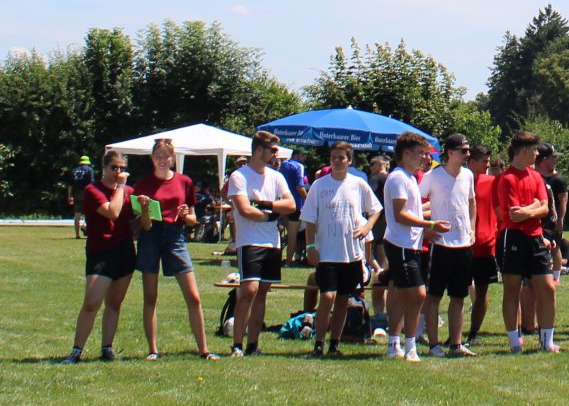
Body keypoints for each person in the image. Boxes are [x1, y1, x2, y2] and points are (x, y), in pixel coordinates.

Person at [128, 138, 210, 361]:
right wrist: (145, 209)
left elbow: (193, 219)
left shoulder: (184, 182)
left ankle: (204, 350)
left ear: (173, 158)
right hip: (151, 236)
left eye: (167, 156)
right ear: (152, 158)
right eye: (158, 156)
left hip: (175, 235)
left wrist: (185, 215)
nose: (163, 160)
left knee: (193, 297)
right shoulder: (143, 185)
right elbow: (144, 226)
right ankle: (153, 350)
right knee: (150, 296)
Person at [224, 131, 299, 357]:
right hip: (249, 240)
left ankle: (253, 344)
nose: (276, 155)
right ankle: (237, 344)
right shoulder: (239, 176)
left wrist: (266, 205)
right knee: (249, 290)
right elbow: (244, 209)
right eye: (272, 150)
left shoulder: (276, 177)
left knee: (262, 292)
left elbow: (291, 205)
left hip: (272, 242)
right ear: (258, 150)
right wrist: (271, 215)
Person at [304, 141, 382, 357]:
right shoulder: (319, 185)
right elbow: (309, 218)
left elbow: (376, 209)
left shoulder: (358, 184)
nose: (337, 161)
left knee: (342, 299)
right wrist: (310, 247)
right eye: (334, 157)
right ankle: (318, 343)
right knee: (327, 297)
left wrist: (367, 227)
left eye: (341, 157)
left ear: (349, 160)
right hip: (327, 253)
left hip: (351, 254)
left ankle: (334, 344)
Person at [66, 149, 136, 361]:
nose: (118, 172)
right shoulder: (93, 190)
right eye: (114, 167)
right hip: (101, 252)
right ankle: (76, 351)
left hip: (124, 251)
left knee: (114, 303)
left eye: (122, 168)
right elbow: (112, 212)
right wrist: (121, 187)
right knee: (92, 302)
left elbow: (135, 222)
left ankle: (107, 348)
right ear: (104, 168)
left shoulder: (129, 192)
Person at [494, 132, 558, 353]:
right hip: (513, 237)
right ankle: (514, 341)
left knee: (547, 288)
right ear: (523, 151)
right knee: (512, 289)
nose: (537, 153)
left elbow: (545, 208)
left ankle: (547, 341)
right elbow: (514, 215)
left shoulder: (536, 177)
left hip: (536, 238)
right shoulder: (506, 178)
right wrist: (535, 207)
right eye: (534, 150)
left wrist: (530, 209)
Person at [378, 132, 435, 361]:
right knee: (418, 294)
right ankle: (410, 345)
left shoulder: (410, 178)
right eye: (421, 153)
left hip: (410, 244)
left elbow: (415, 211)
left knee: (402, 295)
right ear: (406, 153)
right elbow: (400, 215)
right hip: (400, 244)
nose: (424, 158)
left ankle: (394, 345)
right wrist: (429, 224)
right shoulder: (398, 178)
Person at [423, 133, 479, 358]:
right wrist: (426, 229)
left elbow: (472, 202)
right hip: (441, 245)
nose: (468, 154)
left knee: (459, 296)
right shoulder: (432, 176)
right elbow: (414, 203)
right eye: (464, 151)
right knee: (434, 296)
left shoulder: (468, 175)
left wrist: (472, 229)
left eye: (468, 150)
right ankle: (434, 345)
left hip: (463, 244)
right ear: (450, 153)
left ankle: (456, 343)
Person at [466, 142, 501, 342]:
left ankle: (473, 332)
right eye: (484, 161)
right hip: (463, 245)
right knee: (457, 292)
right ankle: (455, 334)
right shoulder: (460, 181)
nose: (487, 165)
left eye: (488, 161)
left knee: (481, 290)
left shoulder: (492, 182)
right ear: (471, 162)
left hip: (485, 245)